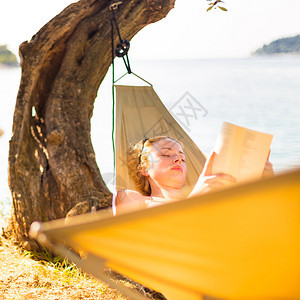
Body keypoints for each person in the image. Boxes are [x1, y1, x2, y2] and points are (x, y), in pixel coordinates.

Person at [114, 136, 274, 215]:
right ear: (144, 168)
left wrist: (268, 184)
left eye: (182, 158)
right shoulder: (132, 199)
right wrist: (198, 196)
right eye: (166, 155)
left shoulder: (211, 202)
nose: (178, 159)